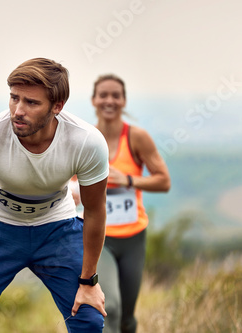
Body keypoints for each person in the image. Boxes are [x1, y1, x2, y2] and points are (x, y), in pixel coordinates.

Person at [0, 58, 110, 332]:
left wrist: (89, 282)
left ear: (57, 107)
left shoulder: (86, 142)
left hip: (56, 229)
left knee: (89, 318)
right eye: (14, 98)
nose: (18, 111)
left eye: (31, 103)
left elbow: (95, 211)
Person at [90, 74, 171, 333]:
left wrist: (127, 179)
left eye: (116, 95)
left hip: (133, 236)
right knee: (109, 307)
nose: (109, 100)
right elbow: (68, 185)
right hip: (98, 236)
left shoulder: (137, 138)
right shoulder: (87, 139)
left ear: (124, 100)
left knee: (126, 317)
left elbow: (163, 181)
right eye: (103, 95)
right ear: (94, 100)